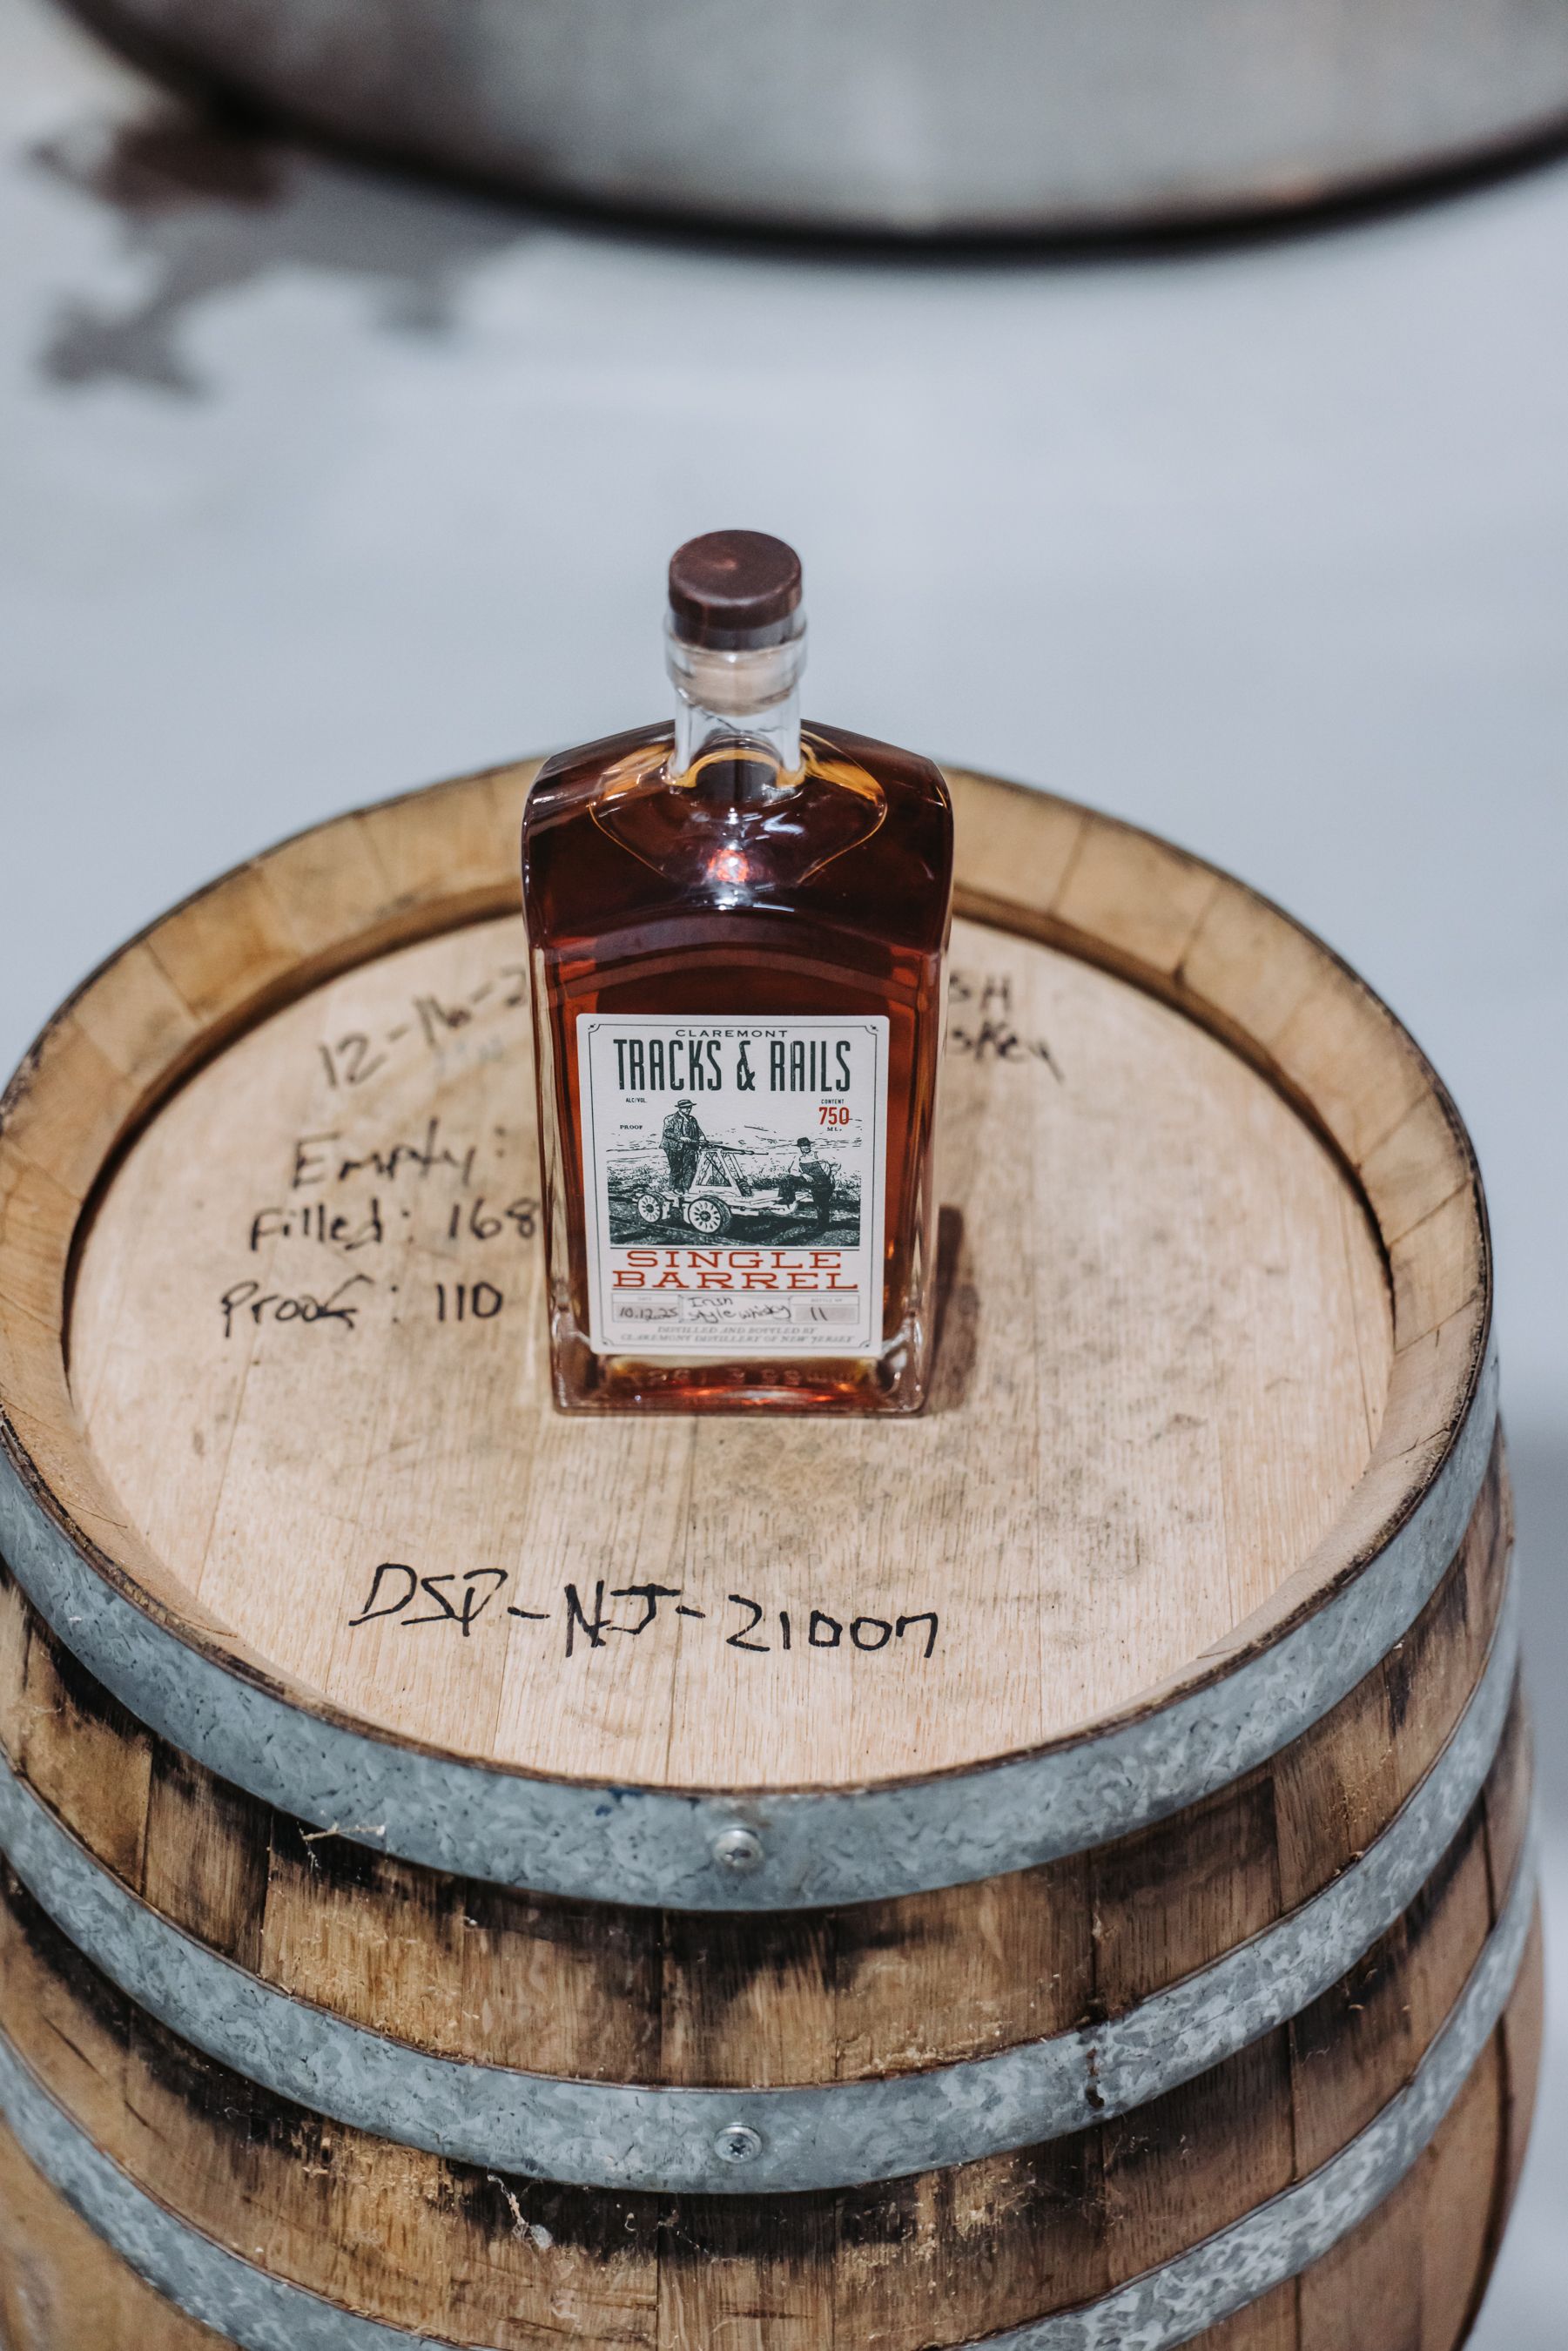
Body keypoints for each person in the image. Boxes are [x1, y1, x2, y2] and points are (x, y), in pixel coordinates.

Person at [791, 1136, 837, 1233]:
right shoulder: (799, 1159)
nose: (806, 1147)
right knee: (819, 1205)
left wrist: (832, 1175)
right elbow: (793, 1170)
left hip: (824, 1182)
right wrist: (803, 1174)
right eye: (803, 1146)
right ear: (800, 1147)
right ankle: (787, 1200)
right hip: (813, 1183)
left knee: (822, 1205)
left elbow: (836, 1163)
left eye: (807, 1145)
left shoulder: (819, 1155)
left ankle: (823, 1226)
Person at [661, 1099, 705, 1193]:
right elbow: (667, 1132)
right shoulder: (670, 1118)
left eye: (690, 1107)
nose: (688, 1109)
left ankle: (687, 1188)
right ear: (680, 1108)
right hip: (673, 1147)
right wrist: (680, 1138)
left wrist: (702, 1138)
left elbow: (699, 1131)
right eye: (686, 1108)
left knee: (690, 1168)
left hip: (689, 1146)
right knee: (676, 1168)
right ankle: (675, 1188)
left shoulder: (692, 1119)